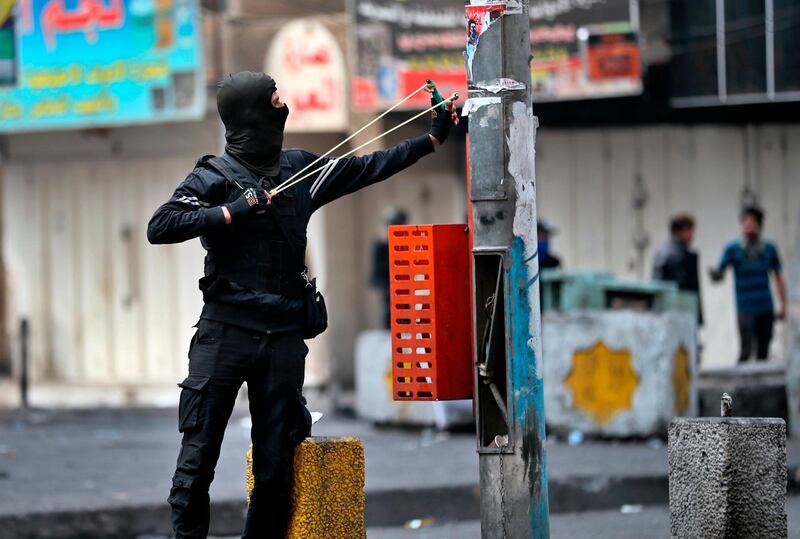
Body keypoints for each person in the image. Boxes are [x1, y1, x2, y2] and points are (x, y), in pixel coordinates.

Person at [147, 71, 455, 538]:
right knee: (195, 470)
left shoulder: (300, 171)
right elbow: (163, 224)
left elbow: (367, 167)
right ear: (251, 112)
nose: (283, 106)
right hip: (224, 334)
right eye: (275, 100)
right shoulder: (212, 176)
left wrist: (431, 138)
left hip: (284, 339)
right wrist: (232, 211)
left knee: (275, 473)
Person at [710, 206, 787, 363]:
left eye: (752, 221)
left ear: (759, 225)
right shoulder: (733, 249)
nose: (749, 225)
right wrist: (716, 275)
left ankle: (763, 387)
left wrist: (783, 305)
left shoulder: (768, 248)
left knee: (763, 351)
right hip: (745, 308)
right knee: (746, 350)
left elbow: (778, 276)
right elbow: (721, 271)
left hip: (765, 306)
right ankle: (738, 387)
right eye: (746, 221)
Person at [653, 213, 702, 324]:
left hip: (668, 313)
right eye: (688, 230)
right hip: (680, 312)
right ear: (678, 232)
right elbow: (686, 289)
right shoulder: (679, 255)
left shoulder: (662, 252)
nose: (691, 235)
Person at [370, 207, 408, 329]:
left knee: (406, 314)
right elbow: (377, 271)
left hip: (405, 286)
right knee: (390, 315)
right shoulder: (381, 245)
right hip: (389, 285)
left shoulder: (406, 243)